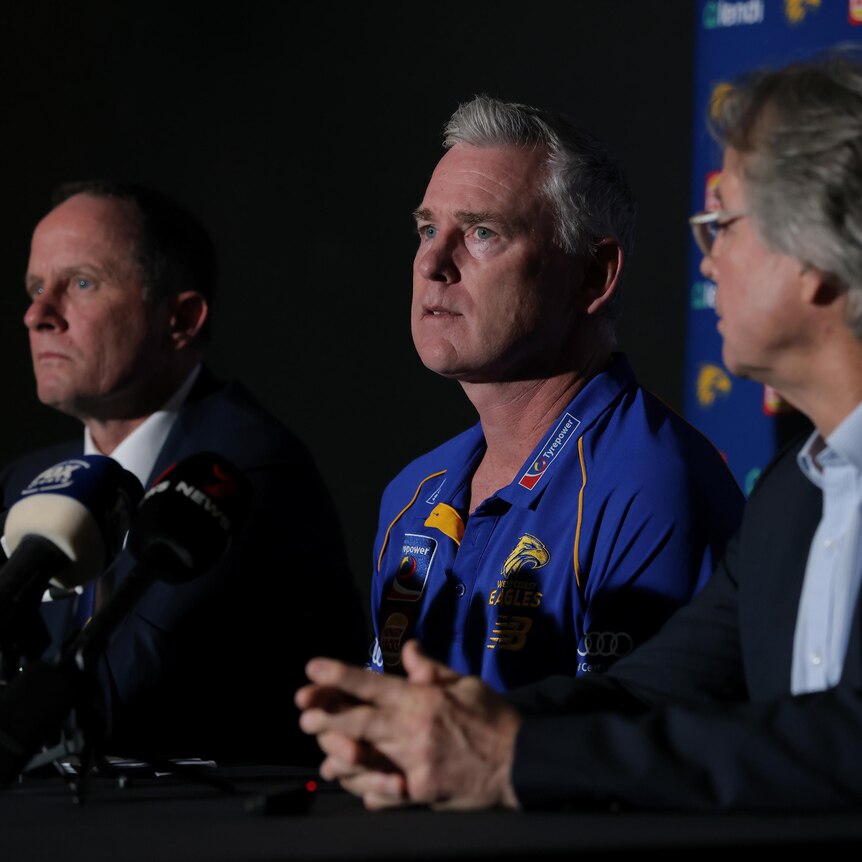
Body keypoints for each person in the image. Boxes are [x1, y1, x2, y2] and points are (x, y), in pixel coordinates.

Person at [296, 50, 862, 812]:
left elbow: (823, 738)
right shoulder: (793, 495)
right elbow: (655, 694)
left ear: (820, 254)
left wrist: (509, 757)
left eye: (723, 224)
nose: (707, 262)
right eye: (426, 229)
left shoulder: (659, 478)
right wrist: (439, 729)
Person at [368, 95, 743, 692]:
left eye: (483, 232)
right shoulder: (411, 495)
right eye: (428, 228)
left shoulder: (648, 487)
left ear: (594, 275)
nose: (433, 262)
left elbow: (633, 756)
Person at [0, 180, 367, 765]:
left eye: (82, 283)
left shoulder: (243, 470)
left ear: (181, 319)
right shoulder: (24, 481)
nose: (38, 314)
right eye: (36, 287)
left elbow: (122, 703)